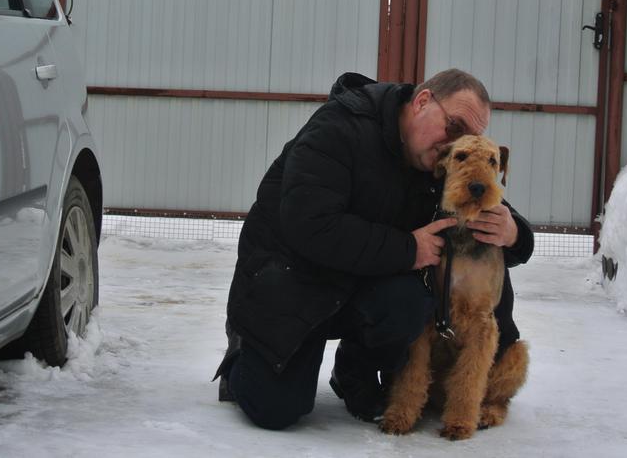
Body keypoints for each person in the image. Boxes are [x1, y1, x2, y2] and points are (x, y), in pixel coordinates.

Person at [214, 69, 533, 430]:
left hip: (361, 279)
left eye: (469, 139)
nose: (455, 145)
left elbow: (484, 197)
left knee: (410, 301)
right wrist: (408, 248)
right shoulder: (338, 129)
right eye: (455, 127)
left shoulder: (433, 155)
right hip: (293, 283)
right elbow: (311, 225)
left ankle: (354, 371)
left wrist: (514, 232)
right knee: (276, 409)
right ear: (423, 102)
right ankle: (244, 351)